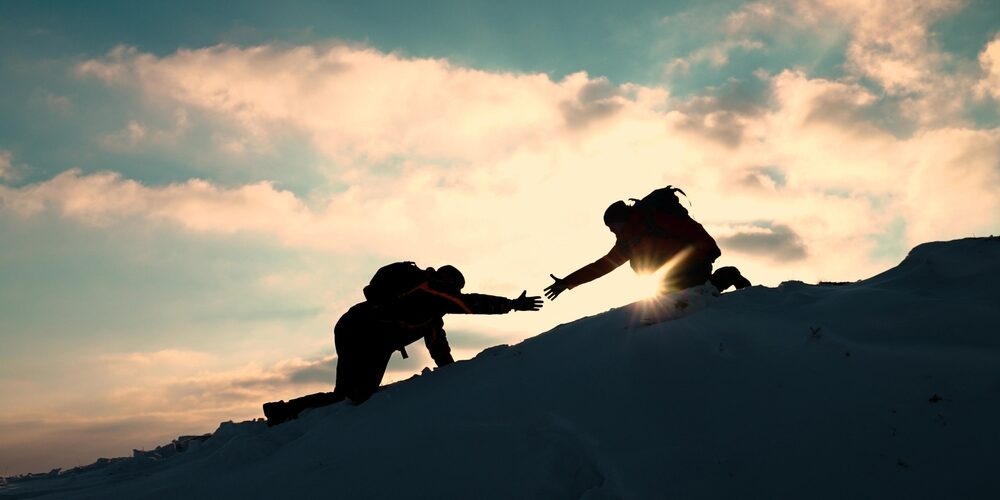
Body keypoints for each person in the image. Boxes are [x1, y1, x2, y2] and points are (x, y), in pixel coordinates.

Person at [263, 263, 542, 426]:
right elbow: (469, 303)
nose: (452, 293)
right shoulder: (428, 289)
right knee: (355, 395)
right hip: (361, 332)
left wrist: (452, 374)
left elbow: (438, 344)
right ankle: (286, 411)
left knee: (351, 394)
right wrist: (512, 304)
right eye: (452, 287)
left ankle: (283, 410)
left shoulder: (432, 313)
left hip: (363, 331)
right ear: (445, 281)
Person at [544, 186, 750, 301]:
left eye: (613, 226)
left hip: (694, 264)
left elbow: (690, 228)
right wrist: (568, 282)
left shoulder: (652, 219)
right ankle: (689, 295)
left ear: (622, 219)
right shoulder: (627, 243)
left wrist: (711, 248)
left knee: (699, 294)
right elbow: (602, 266)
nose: (612, 230)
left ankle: (729, 275)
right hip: (668, 278)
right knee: (696, 293)